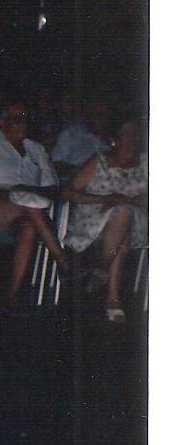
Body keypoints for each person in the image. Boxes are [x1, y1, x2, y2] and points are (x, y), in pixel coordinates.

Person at [0, 100, 69, 312]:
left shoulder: (36, 150)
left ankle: (12, 296)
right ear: (2, 122)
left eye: (26, 119)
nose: (23, 124)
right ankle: (62, 259)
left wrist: (25, 192)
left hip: (27, 211)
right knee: (27, 203)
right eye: (18, 119)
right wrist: (6, 193)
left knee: (29, 222)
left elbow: (52, 188)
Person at [60, 115, 148, 322]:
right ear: (114, 137)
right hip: (92, 219)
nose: (131, 138)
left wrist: (125, 201)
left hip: (134, 221)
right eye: (126, 133)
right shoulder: (99, 161)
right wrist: (107, 198)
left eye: (135, 133)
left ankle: (100, 269)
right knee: (121, 235)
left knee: (124, 213)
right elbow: (68, 193)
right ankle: (112, 298)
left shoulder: (146, 163)